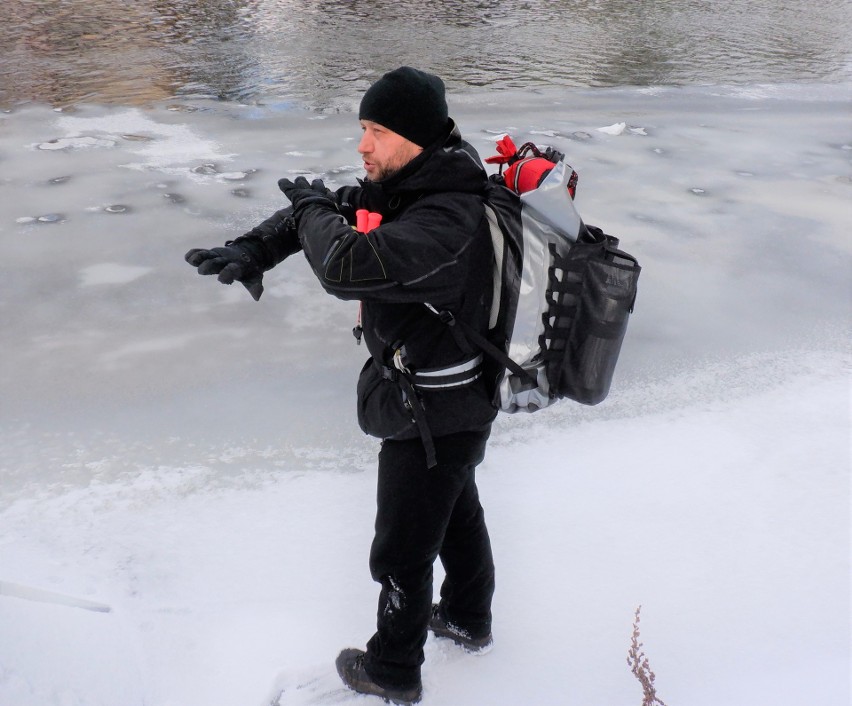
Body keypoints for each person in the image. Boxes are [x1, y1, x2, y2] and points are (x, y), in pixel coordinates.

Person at [185, 66, 497, 705]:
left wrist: (311, 210)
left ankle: (393, 669)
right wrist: (255, 248)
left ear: (413, 137)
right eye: (362, 128)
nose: (363, 145)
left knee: (402, 548)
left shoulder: (449, 216)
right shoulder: (415, 182)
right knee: (454, 506)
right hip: (446, 401)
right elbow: (340, 213)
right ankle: (468, 616)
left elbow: (349, 263)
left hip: (435, 404)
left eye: (376, 131)